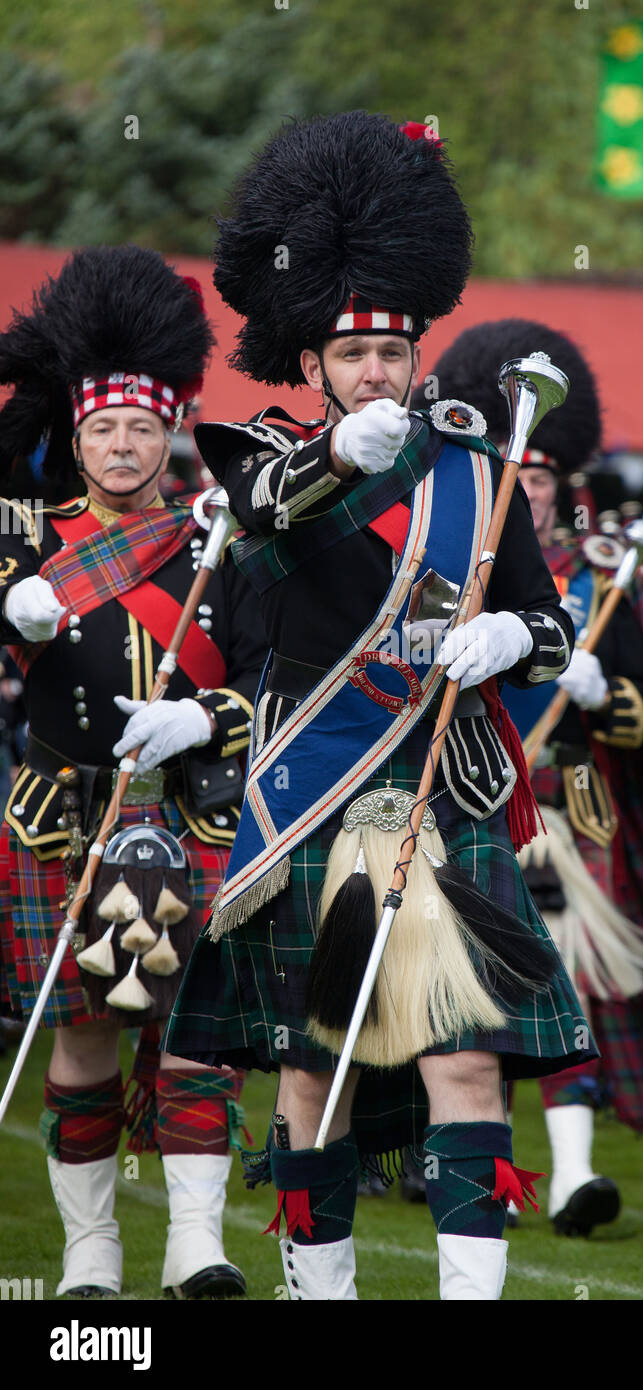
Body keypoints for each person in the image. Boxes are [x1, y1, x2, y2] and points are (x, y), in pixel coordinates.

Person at [164, 111, 595, 1302]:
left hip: (439, 789)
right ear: (310, 362)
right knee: (316, 1072)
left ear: (418, 358)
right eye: (351, 356)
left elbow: (549, 625)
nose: (375, 372)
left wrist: (514, 634)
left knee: (467, 1063)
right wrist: (342, 457)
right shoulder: (256, 451)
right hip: (314, 792)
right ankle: (322, 1288)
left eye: (393, 355)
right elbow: (261, 516)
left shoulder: (474, 469)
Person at [0, 246, 268, 1298]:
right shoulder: (30, 542)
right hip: (63, 815)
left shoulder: (223, 543)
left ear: (170, 438)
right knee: (87, 1036)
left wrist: (198, 717)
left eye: (142, 429)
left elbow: (267, 685)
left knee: (196, 1036)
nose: (122, 445)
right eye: (104, 428)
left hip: (195, 813)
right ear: (79, 437)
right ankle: (89, 1253)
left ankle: (194, 1244)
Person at [422, 319, 643, 1238]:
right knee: (455, 990)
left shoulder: (599, 583)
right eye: (512, 477)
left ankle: (574, 1176)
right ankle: (455, 1160)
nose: (526, 495)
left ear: (559, 486)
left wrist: (598, 682)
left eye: (538, 481)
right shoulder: (442, 562)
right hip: (459, 798)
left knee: (561, 991)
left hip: (565, 818)